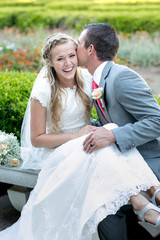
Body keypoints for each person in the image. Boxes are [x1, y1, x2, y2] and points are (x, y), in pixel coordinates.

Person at [0, 32, 160, 240]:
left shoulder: (86, 78)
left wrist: (93, 130)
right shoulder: (44, 90)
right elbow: (37, 139)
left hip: (85, 146)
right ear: (49, 62)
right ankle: (144, 199)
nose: (68, 63)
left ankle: (149, 194)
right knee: (99, 143)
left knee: (109, 130)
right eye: (60, 59)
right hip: (59, 153)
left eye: (71, 56)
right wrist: (77, 135)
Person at [77, 23, 160, 240]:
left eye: (78, 43)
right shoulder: (98, 79)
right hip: (122, 159)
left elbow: (157, 120)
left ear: (90, 49)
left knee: (105, 203)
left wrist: (113, 135)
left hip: (147, 161)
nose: (75, 48)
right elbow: (113, 120)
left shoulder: (121, 77)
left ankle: (148, 207)